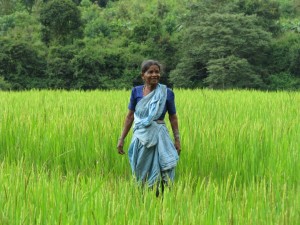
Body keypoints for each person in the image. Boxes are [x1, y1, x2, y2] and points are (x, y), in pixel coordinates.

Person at [117, 60, 181, 195]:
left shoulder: (166, 93)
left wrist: (177, 139)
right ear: (143, 75)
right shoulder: (136, 92)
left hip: (159, 137)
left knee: (162, 169)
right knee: (141, 171)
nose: (154, 75)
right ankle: (142, 198)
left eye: (157, 72)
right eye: (150, 72)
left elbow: (173, 117)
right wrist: (121, 138)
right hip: (141, 138)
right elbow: (130, 117)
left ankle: (161, 199)